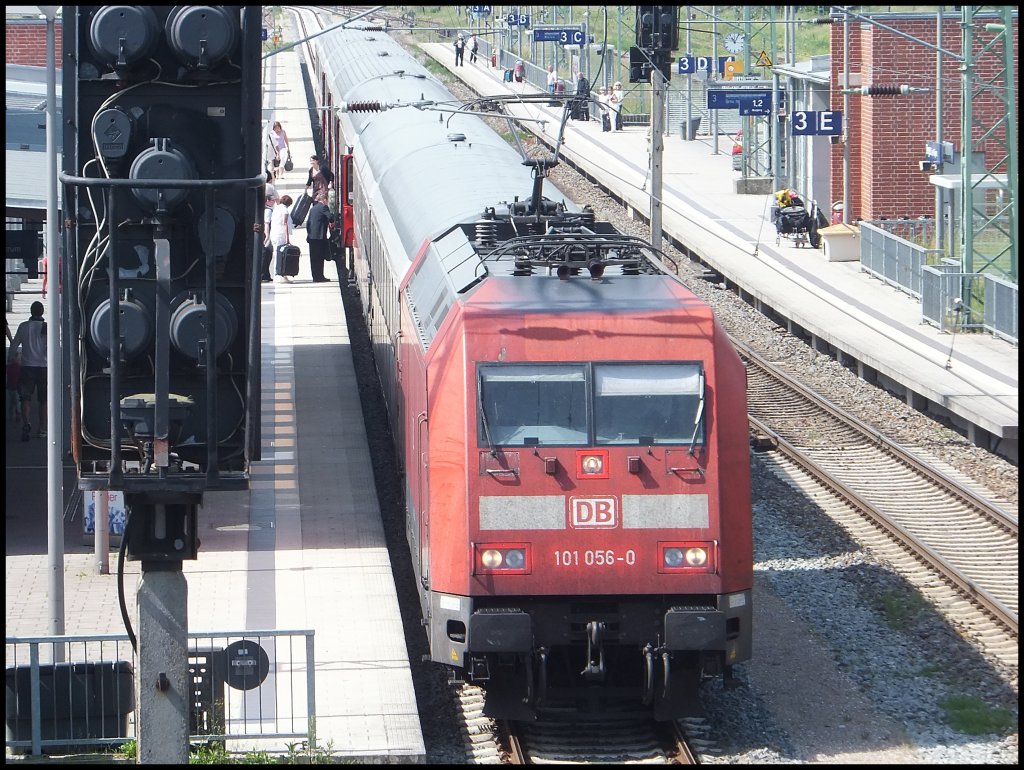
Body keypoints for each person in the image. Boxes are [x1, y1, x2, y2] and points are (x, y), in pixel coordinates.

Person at [8, 301, 47, 441]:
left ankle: (27, 423)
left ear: (31, 312)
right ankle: (42, 429)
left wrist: (11, 358)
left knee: (25, 398)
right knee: (43, 400)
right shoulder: (46, 327)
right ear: (42, 312)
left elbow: (13, 346)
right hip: (44, 367)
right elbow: (50, 348)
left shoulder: (23, 326)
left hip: (27, 367)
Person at [306, 191, 335, 283]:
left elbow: (308, 223)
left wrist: (309, 234)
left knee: (313, 258)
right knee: (319, 258)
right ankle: (320, 277)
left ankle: (315, 276)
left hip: (312, 237)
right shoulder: (324, 207)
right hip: (319, 237)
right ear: (324, 199)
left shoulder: (313, 208)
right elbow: (330, 217)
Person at [270, 194, 294, 282]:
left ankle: (279, 273)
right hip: (281, 235)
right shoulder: (284, 210)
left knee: (276, 253)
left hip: (274, 234)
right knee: (281, 254)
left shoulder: (277, 208)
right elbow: (285, 223)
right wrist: (287, 238)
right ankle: (279, 274)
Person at [261, 185, 278, 283]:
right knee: (267, 255)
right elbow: (266, 224)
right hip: (267, 236)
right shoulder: (268, 211)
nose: (274, 201)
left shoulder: (266, 209)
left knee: (267, 255)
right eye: (272, 200)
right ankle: (264, 274)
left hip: (266, 236)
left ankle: (266, 274)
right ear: (267, 201)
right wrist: (267, 237)